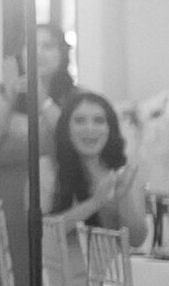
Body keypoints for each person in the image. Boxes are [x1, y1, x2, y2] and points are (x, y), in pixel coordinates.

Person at [0, 24, 71, 286]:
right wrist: (10, 99)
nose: (39, 51)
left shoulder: (74, 99)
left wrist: (41, 97)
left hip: (54, 207)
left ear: (62, 54)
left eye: (48, 45)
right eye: (32, 45)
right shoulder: (2, 98)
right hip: (5, 206)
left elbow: (69, 142)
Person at [46, 89, 151, 250]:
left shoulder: (123, 174)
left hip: (113, 271)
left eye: (99, 121)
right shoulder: (47, 169)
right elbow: (42, 234)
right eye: (80, 121)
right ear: (66, 128)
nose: (90, 129)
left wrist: (123, 198)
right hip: (62, 272)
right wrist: (95, 202)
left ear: (110, 129)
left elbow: (136, 240)